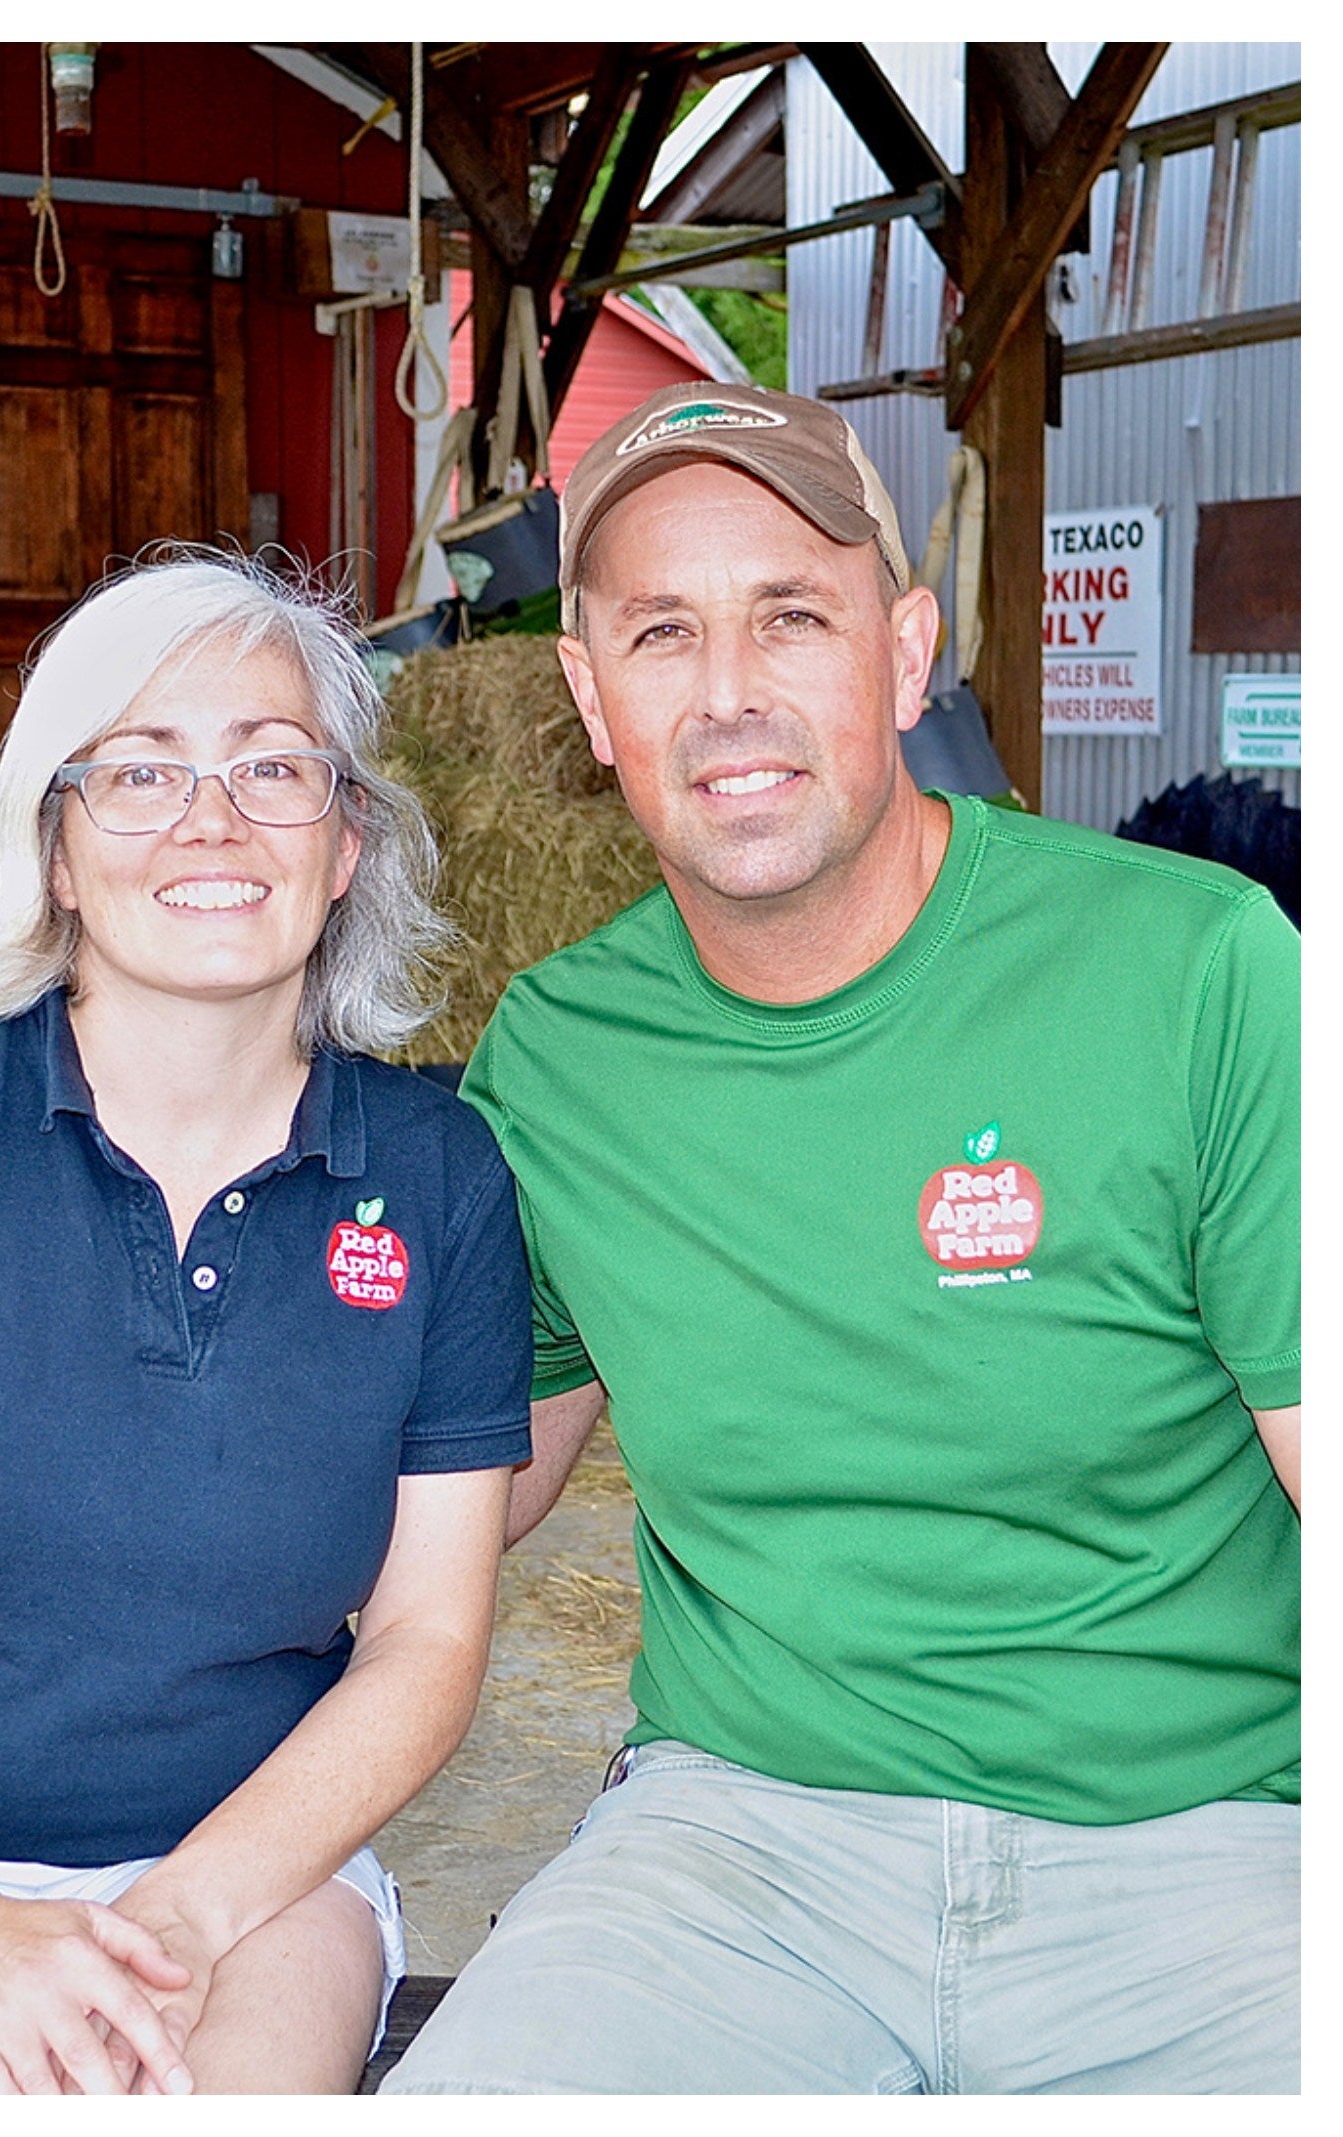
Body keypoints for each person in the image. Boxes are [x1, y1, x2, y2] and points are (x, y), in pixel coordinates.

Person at [381, 381, 1300, 2094]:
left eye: (791, 617)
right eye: (663, 632)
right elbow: (468, 1492)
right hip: (742, 1855)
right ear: (589, 696)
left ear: (906, 650)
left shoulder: (1195, 969)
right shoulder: (561, 1059)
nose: (727, 693)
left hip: (1199, 1849)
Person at [0, 552, 527, 2094]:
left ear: (347, 838)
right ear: (60, 851)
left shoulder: (440, 1177)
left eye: (272, 769)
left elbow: (428, 1641)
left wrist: (176, 1914)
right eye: (142, 772)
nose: (212, 820)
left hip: (248, 1877)